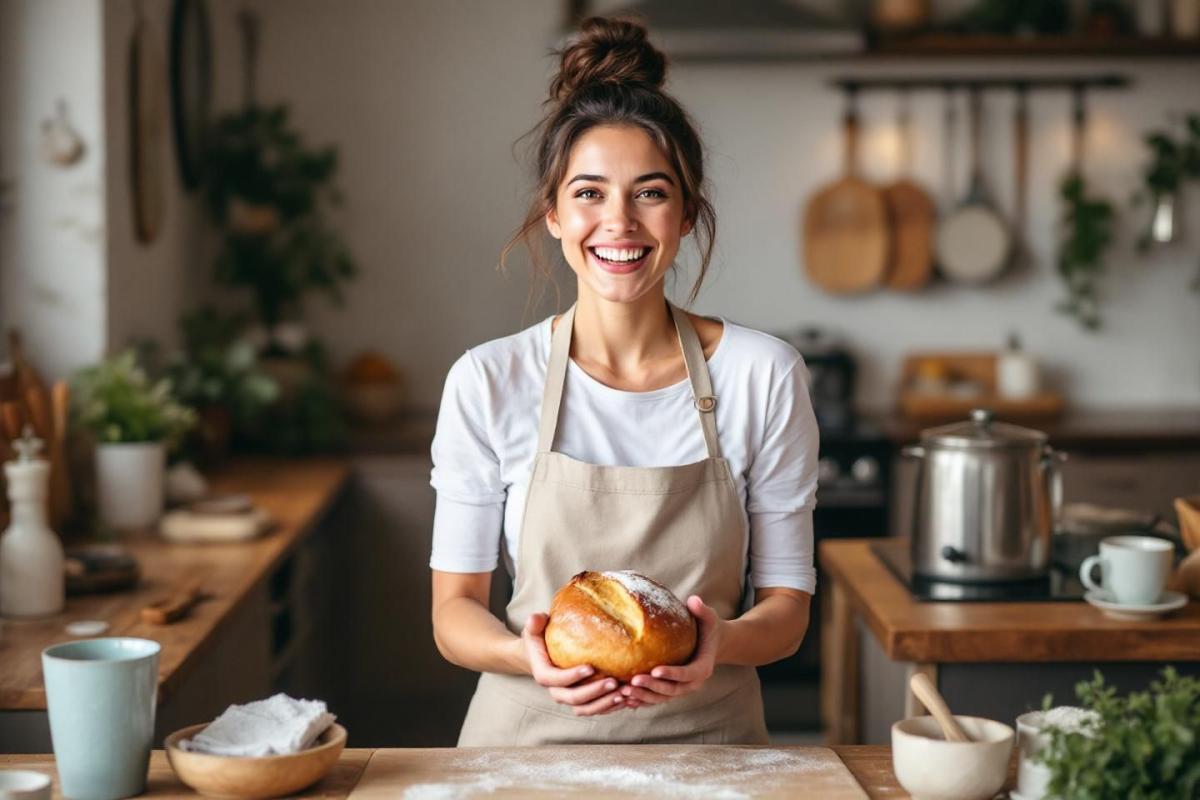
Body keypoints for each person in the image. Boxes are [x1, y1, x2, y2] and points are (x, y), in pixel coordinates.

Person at [429, 16, 818, 746]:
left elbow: (787, 612)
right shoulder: (489, 380)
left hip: (713, 751)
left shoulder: (762, 374)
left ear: (687, 213)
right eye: (589, 193)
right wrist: (528, 657)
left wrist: (719, 644)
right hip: (523, 751)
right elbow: (454, 613)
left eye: (650, 193)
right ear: (552, 213)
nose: (619, 222)